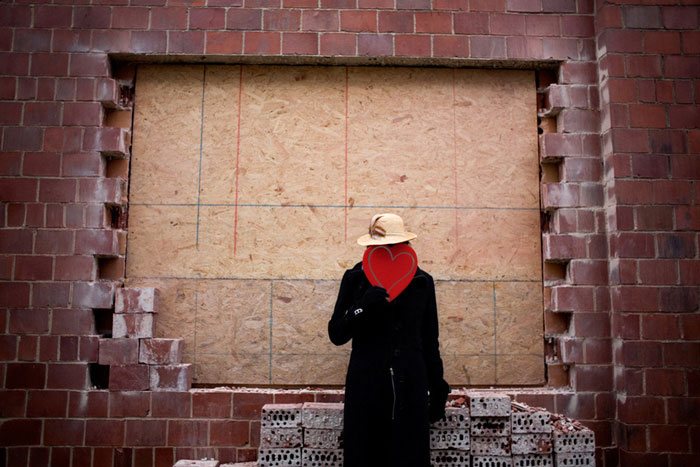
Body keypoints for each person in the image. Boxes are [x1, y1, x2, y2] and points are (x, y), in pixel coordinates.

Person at [328, 213, 450, 467]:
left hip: (411, 385)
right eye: (381, 248)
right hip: (367, 385)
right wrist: (362, 306)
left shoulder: (421, 282)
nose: (388, 252)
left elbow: (430, 339)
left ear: (405, 247)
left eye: (394, 246)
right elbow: (337, 333)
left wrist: (437, 388)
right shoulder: (355, 279)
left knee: (409, 456)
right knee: (364, 454)